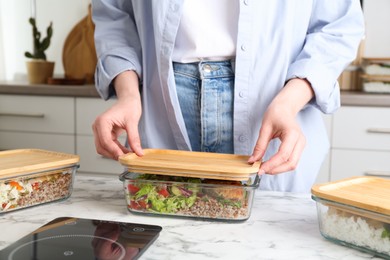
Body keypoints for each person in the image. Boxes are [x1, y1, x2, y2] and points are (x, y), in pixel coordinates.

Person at [91, 0, 365, 192]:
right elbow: (115, 17)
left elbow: (338, 26)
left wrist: (288, 103)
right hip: (162, 103)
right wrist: (127, 93)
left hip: (271, 102)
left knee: (265, 241)